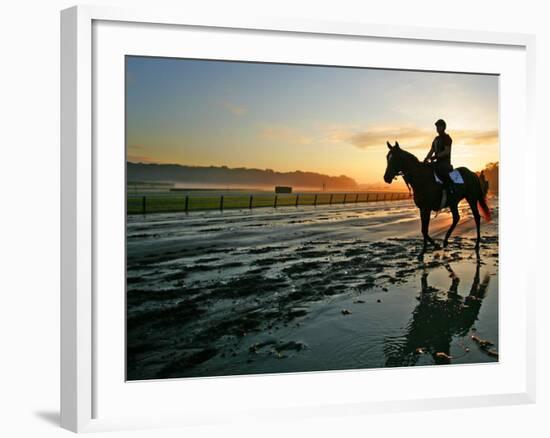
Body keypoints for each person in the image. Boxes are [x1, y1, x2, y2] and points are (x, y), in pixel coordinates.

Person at [424, 119, 455, 197]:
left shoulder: (447, 138)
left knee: (442, 171)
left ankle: (450, 189)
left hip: (445, 163)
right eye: (436, 127)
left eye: (439, 126)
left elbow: (447, 151)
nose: (437, 128)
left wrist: (436, 156)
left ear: (443, 127)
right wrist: (426, 159)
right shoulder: (436, 139)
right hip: (437, 162)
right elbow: (431, 151)